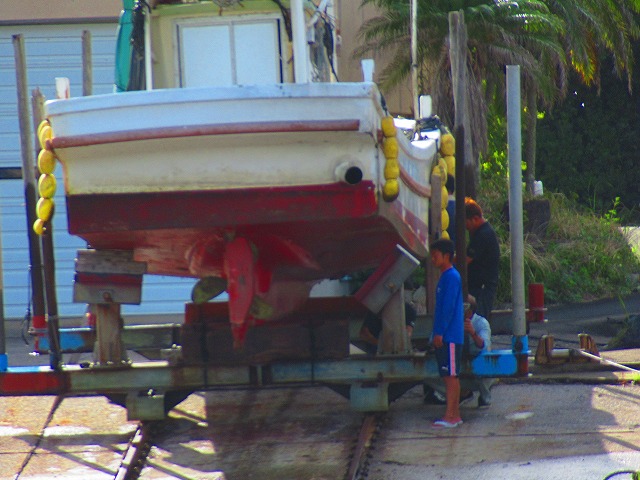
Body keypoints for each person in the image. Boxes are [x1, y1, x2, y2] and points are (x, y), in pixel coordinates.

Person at [424, 295, 493, 408]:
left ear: (469, 311)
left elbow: (484, 345)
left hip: (475, 361)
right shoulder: (449, 320)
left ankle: (485, 397)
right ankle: (457, 394)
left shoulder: (481, 322)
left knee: (486, 368)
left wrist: (473, 333)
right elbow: (432, 341)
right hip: (454, 360)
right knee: (428, 374)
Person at [429, 238, 464, 428]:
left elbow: (448, 308)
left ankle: (451, 416)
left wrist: (440, 332)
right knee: (449, 376)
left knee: (450, 377)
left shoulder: (451, 277)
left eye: (436, 255)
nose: (433, 259)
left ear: (446, 256)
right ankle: (454, 415)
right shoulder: (446, 276)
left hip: (449, 336)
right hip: (448, 335)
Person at [464, 197, 500, 321]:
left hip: (482, 287)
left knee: (478, 320)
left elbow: (465, 260)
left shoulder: (483, 234)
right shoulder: (480, 232)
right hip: (478, 285)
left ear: (475, 219)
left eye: (466, 223)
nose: (466, 227)